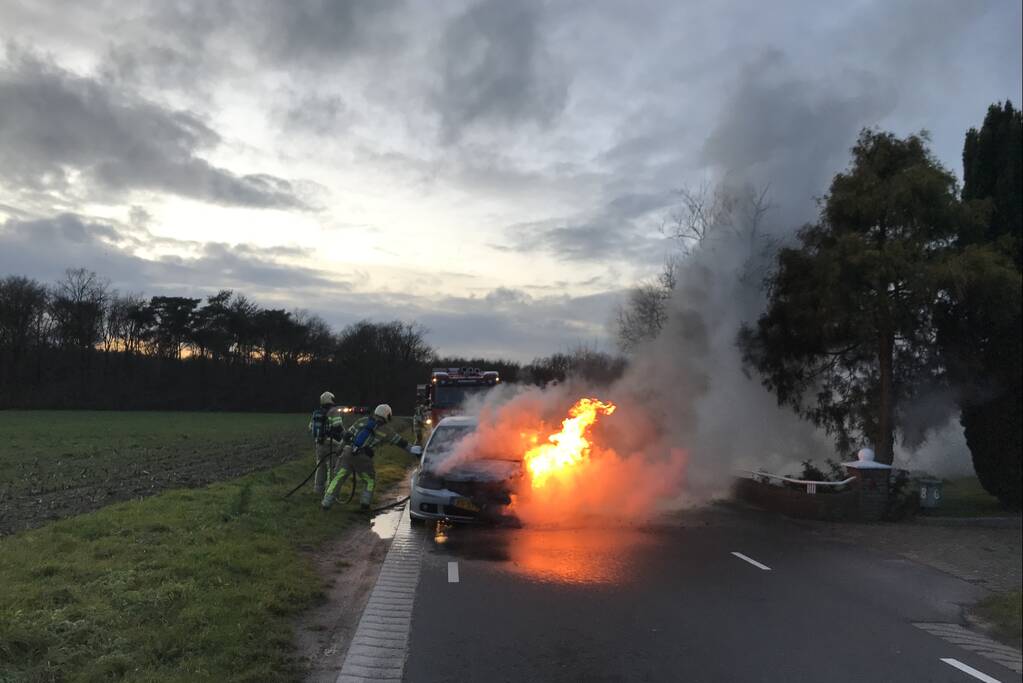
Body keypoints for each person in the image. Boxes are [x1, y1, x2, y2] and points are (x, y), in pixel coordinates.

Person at [321, 403, 412, 511]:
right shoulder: (387, 431)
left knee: (338, 478)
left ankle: (326, 504)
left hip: (347, 452)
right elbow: (402, 443)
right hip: (363, 458)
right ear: (387, 416)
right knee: (369, 480)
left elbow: (347, 436)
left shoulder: (362, 421)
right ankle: (365, 505)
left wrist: (339, 450)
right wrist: (416, 450)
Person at [308, 391, 344, 495]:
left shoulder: (316, 413)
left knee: (321, 468)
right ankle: (331, 492)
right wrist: (346, 437)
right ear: (331, 399)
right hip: (332, 444)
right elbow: (338, 427)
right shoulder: (333, 411)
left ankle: (318, 491)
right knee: (334, 468)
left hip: (319, 444)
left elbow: (311, 427)